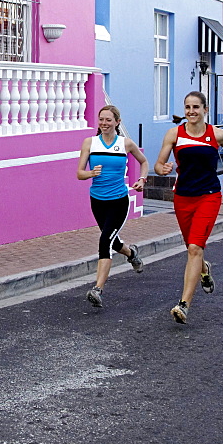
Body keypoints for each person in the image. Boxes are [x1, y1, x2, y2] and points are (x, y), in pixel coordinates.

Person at [154, 91, 223, 324]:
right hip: (182, 197)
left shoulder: (217, 134)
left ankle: (184, 305)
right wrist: (163, 169)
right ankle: (204, 269)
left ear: (205, 110)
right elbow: (159, 164)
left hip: (208, 196)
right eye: (187, 107)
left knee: (193, 249)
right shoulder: (174, 134)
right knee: (193, 247)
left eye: (196, 107)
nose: (191, 111)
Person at [77, 105, 150, 308]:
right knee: (112, 240)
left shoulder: (125, 143)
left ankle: (97, 289)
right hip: (97, 201)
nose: (104, 123)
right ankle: (132, 254)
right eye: (101, 119)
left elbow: (144, 162)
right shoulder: (89, 143)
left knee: (104, 240)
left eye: (108, 120)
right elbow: (79, 173)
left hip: (118, 200)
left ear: (117, 122)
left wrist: (142, 180)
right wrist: (91, 173)